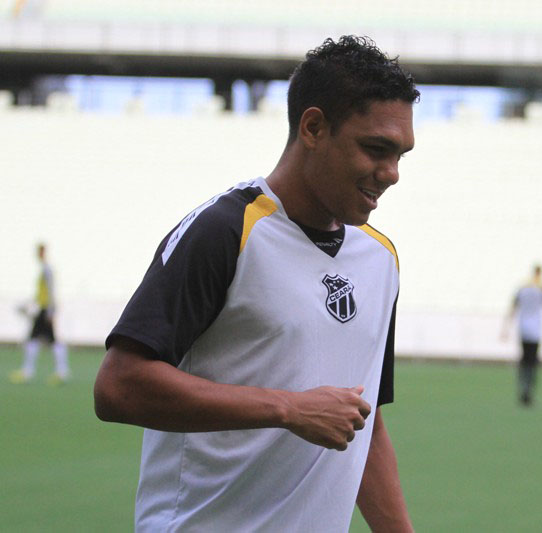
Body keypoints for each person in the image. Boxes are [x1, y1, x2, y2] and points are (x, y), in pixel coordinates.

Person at [93, 35, 418, 531]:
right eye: (375, 148)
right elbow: (118, 387)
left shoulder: (380, 259)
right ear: (313, 127)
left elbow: (363, 425)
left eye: (401, 154)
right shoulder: (226, 230)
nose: (392, 173)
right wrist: (288, 408)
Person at [9, 243, 70, 385]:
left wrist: (50, 311)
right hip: (43, 308)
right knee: (38, 339)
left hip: (45, 309)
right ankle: (57, 371)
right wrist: (27, 304)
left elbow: (50, 290)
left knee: (42, 340)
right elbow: (40, 294)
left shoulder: (46, 270)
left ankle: (56, 371)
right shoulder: (43, 269)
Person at [503, 264, 542, 406]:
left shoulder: (523, 288)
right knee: (532, 362)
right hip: (535, 329)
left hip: (524, 328)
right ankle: (528, 391)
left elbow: (513, 307)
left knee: (524, 361)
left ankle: (523, 390)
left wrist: (505, 328)